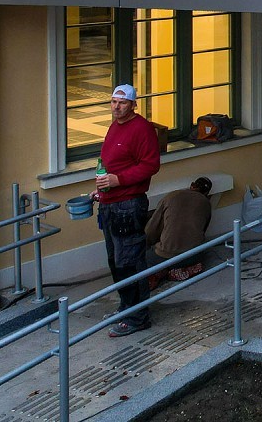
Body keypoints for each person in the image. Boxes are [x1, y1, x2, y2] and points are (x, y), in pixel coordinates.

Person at [95, 83, 160, 337]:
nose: (117, 107)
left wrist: (118, 180)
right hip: (110, 203)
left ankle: (137, 317)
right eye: (114, 102)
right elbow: (111, 164)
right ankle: (126, 308)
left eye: (122, 103)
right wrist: (101, 190)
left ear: (133, 104)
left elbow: (151, 165)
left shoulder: (142, 129)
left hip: (128, 205)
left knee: (130, 262)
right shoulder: (115, 126)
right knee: (116, 261)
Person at [145, 177, 213, 283]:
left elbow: (151, 230)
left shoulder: (171, 196)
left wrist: (148, 244)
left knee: (145, 257)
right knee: (201, 251)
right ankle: (182, 269)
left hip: (165, 256)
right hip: (193, 256)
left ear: (192, 185)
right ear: (207, 193)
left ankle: (161, 271)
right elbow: (203, 230)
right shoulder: (206, 203)